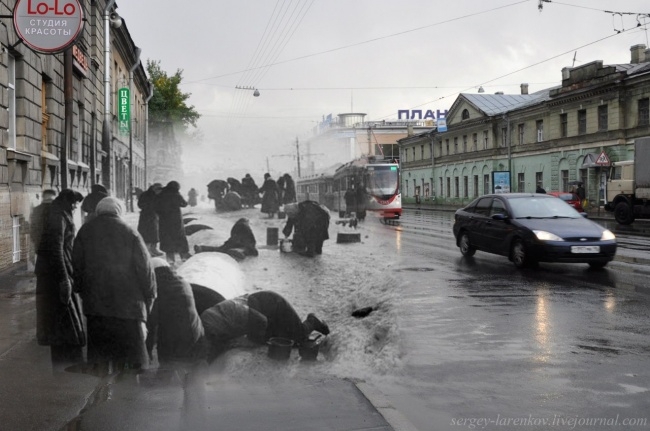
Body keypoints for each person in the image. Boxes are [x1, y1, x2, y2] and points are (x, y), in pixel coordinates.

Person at [72, 197, 157, 373]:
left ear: (98, 211)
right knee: (129, 359)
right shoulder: (130, 232)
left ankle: (101, 393)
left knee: (100, 356)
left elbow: (77, 264)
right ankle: (127, 391)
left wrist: (80, 289)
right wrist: (150, 293)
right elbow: (145, 268)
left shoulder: (85, 231)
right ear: (119, 211)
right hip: (128, 305)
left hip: (95, 304)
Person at [200, 290, 329, 361]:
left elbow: (261, 321)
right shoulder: (212, 322)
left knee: (298, 337)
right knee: (275, 341)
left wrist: (249, 341)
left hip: (273, 304)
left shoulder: (227, 317)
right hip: (260, 311)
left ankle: (312, 321)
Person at [35, 189, 85, 370]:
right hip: (56, 276)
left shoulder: (59, 213)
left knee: (62, 320)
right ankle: (66, 363)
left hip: (54, 274)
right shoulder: (58, 217)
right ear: (67, 201)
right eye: (74, 203)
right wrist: (64, 279)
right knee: (64, 319)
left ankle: (65, 361)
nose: (75, 206)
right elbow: (56, 250)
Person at [146, 258, 206, 364]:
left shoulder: (159, 289)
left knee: (169, 372)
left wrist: (148, 350)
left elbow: (152, 322)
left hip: (175, 339)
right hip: (196, 332)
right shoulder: (183, 283)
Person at [156, 180, 191, 263]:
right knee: (179, 238)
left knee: (167, 239)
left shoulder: (161, 194)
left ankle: (170, 260)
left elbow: (156, 206)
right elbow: (184, 204)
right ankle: (183, 257)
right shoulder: (176, 194)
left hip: (164, 220)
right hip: (176, 220)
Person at [194, 217, 259, 260]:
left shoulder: (237, 226)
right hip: (243, 244)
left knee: (220, 249)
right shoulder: (246, 227)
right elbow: (251, 241)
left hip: (233, 241)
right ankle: (238, 252)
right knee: (249, 250)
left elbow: (233, 235)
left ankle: (202, 248)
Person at [30, 189, 57, 267]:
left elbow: (33, 229)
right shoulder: (57, 210)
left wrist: (36, 242)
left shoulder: (36, 210)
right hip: (54, 245)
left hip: (41, 246)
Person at [137, 183, 164, 257]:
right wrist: (150, 206)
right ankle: (147, 251)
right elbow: (140, 204)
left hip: (154, 216)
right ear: (154, 188)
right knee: (147, 234)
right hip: (146, 217)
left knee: (155, 234)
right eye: (158, 190)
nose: (159, 192)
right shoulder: (145, 195)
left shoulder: (158, 195)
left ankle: (154, 249)